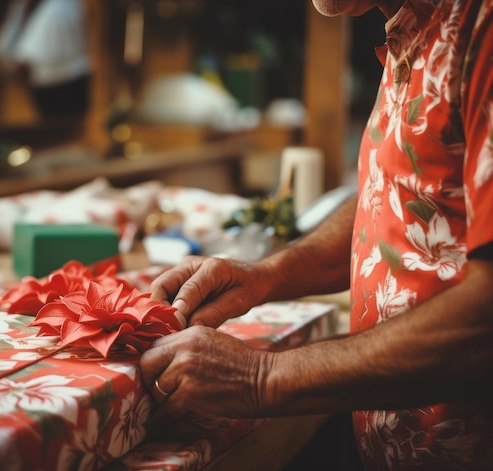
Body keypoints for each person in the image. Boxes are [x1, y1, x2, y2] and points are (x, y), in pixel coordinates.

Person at [139, 0, 493, 469]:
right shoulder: (414, 31)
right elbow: (393, 194)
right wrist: (265, 275)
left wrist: (261, 376)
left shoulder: (482, 27)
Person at [0, 0, 91, 119]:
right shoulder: (24, 7)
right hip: (43, 83)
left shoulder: (61, 6)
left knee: (67, 124)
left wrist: (15, 62)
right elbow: (1, 48)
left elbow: (28, 55)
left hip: (69, 82)